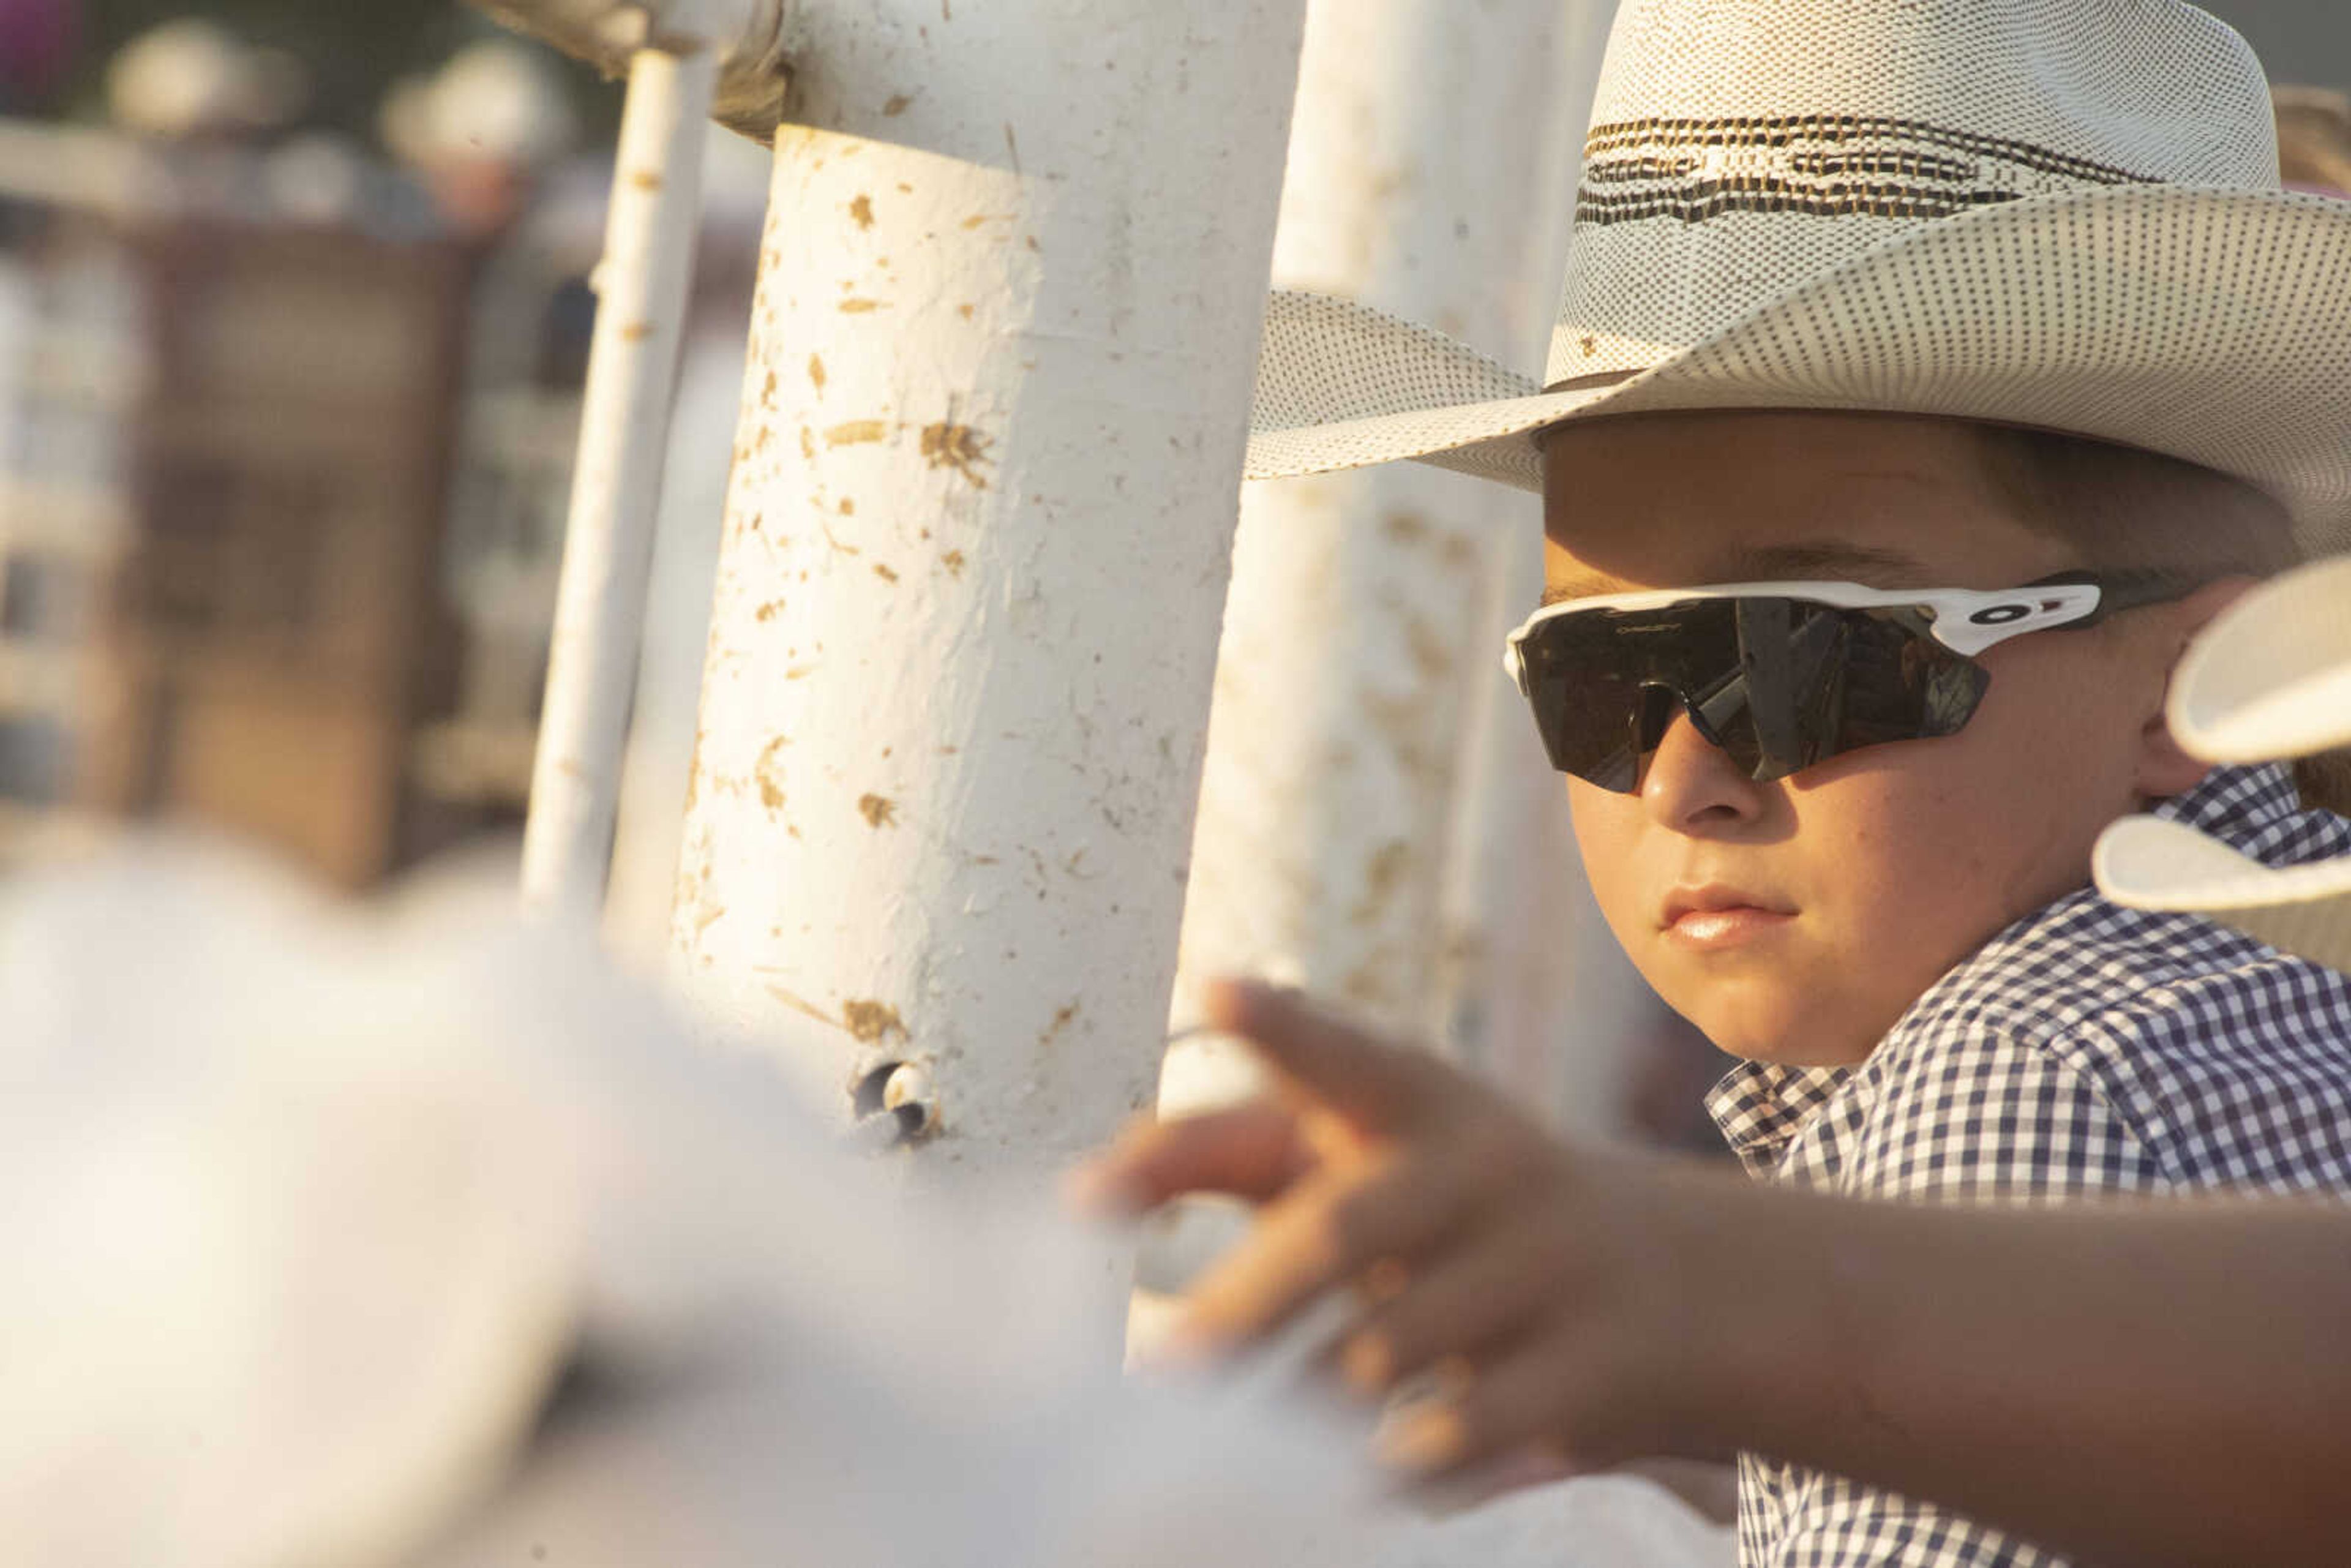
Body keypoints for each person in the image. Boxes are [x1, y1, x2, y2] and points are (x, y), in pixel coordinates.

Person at [1074, 3, 2351, 1565]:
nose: (1684, 780)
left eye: (1809, 659)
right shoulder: (2227, 1012)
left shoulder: (2030, 1072)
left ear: (2187, 690)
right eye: (1600, 680)